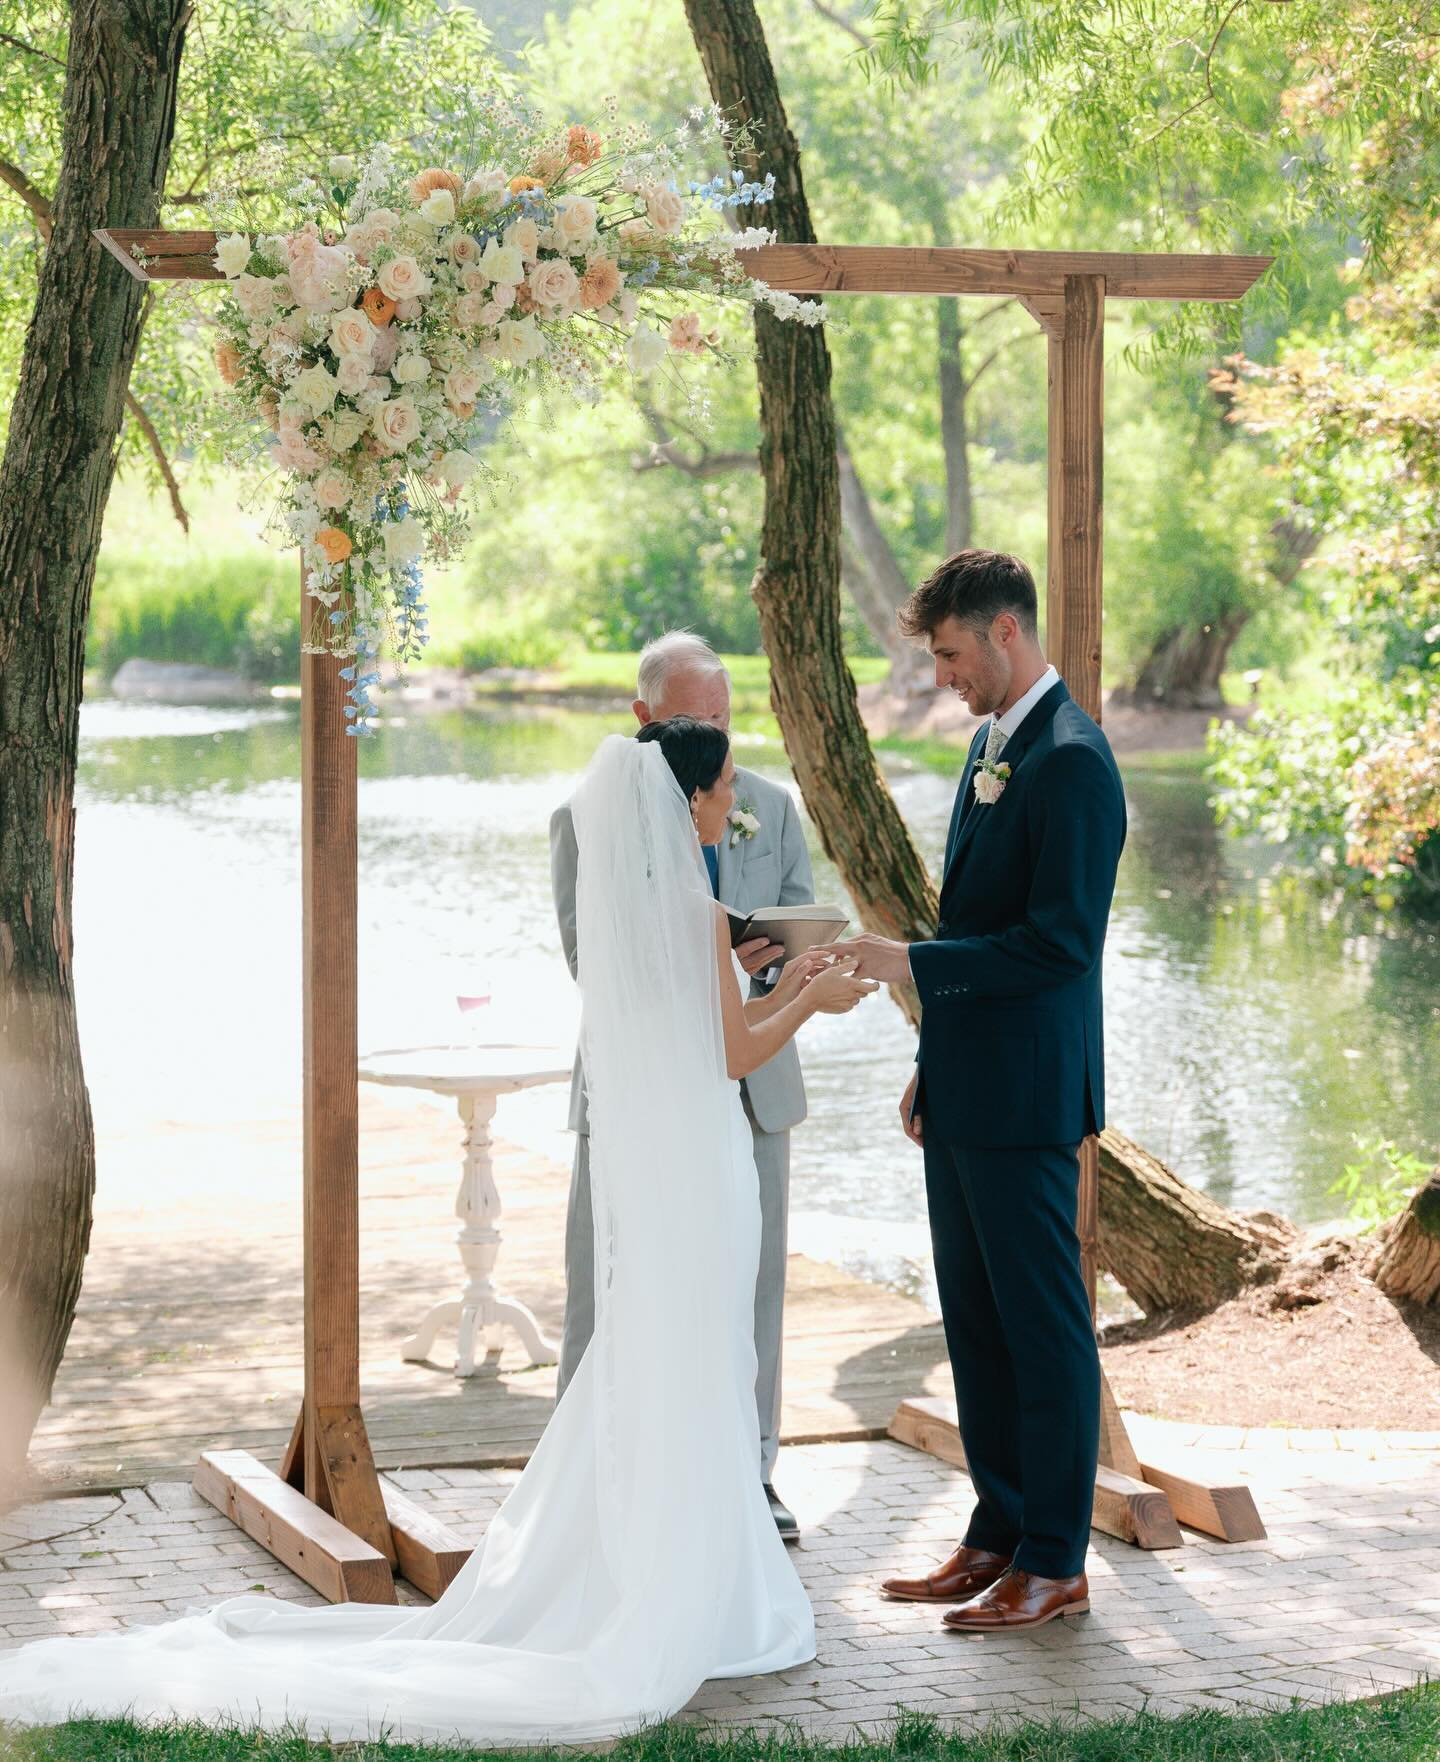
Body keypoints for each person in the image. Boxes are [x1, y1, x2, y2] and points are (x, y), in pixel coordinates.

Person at [0, 724, 873, 1741]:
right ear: (686, 803)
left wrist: (755, 970)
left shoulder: (663, 910)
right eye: (723, 790)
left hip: (679, 1176)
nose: (733, 804)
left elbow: (693, 1030)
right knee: (701, 1363)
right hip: (707, 1174)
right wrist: (814, 992)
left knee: (675, 1361)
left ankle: (668, 1568)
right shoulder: (696, 908)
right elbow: (734, 1054)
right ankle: (700, 1592)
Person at [815, 549, 1127, 1635]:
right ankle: (995, 1533)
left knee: (1044, 1329)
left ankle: (1055, 1558)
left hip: (1031, 1099)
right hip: (965, 1092)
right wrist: (929, 1063)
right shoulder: (992, 749)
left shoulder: (1075, 761)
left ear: (1005, 633)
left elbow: (1058, 948)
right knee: (977, 1322)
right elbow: (972, 926)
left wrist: (909, 963)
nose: (941, 674)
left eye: (949, 653)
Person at [550, 631, 841, 1542]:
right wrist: (706, 963)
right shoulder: (585, 818)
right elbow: (586, 959)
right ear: (645, 722)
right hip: (643, 1092)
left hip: (750, 1090)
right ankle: (588, 1473)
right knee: (605, 1284)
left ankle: (746, 1473)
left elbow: (801, 917)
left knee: (746, 1287)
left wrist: (760, 966)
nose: (715, 742)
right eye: (690, 724)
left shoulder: (768, 806)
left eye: (721, 720)